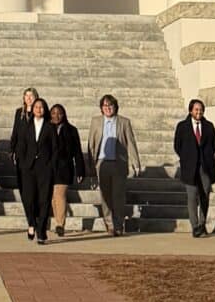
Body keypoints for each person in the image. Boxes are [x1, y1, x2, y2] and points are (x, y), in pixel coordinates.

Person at [90, 93, 139, 237]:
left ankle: (118, 225)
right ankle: (109, 225)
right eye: (105, 106)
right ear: (101, 108)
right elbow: (91, 144)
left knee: (118, 196)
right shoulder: (96, 122)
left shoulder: (124, 122)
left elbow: (131, 142)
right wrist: (91, 165)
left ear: (115, 107)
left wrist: (135, 162)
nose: (108, 108)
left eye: (110, 105)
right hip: (102, 163)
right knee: (105, 197)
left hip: (119, 163)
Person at [173, 96, 215, 238]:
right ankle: (195, 226)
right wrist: (187, 157)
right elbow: (177, 146)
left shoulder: (209, 126)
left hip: (205, 167)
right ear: (190, 111)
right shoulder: (182, 126)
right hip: (190, 167)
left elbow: (214, 145)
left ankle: (202, 224)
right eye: (196, 109)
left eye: (201, 110)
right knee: (192, 197)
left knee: (204, 196)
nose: (198, 112)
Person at [13, 93, 54, 244]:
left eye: (41, 107)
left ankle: (41, 231)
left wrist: (50, 165)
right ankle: (31, 222)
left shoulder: (50, 127)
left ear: (45, 110)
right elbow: (21, 145)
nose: (38, 109)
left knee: (44, 200)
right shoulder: (26, 126)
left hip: (44, 168)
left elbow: (54, 149)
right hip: (28, 168)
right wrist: (22, 163)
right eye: (36, 107)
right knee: (28, 198)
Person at [44, 102, 84, 238]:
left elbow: (77, 152)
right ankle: (57, 221)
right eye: (54, 113)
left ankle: (60, 224)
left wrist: (80, 170)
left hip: (64, 167)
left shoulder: (71, 130)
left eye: (60, 113)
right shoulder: (45, 128)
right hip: (48, 167)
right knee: (53, 198)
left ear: (64, 114)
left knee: (59, 194)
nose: (57, 115)